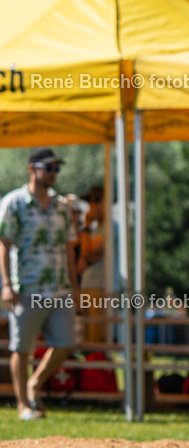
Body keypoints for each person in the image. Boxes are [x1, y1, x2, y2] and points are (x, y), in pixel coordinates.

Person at [0, 148, 80, 420]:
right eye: (49, 168)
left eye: (57, 169)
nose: (54, 173)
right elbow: (4, 244)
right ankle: (23, 405)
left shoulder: (62, 206)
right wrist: (6, 284)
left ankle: (35, 383)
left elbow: (70, 248)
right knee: (21, 349)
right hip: (26, 288)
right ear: (32, 168)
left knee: (67, 343)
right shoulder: (14, 203)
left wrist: (74, 285)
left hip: (59, 288)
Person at [77, 185, 106, 343]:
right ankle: (90, 368)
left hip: (99, 288)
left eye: (96, 200)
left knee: (96, 338)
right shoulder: (95, 230)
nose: (92, 206)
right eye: (90, 201)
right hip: (87, 286)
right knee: (85, 338)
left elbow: (89, 253)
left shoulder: (109, 227)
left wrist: (86, 226)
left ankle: (97, 368)